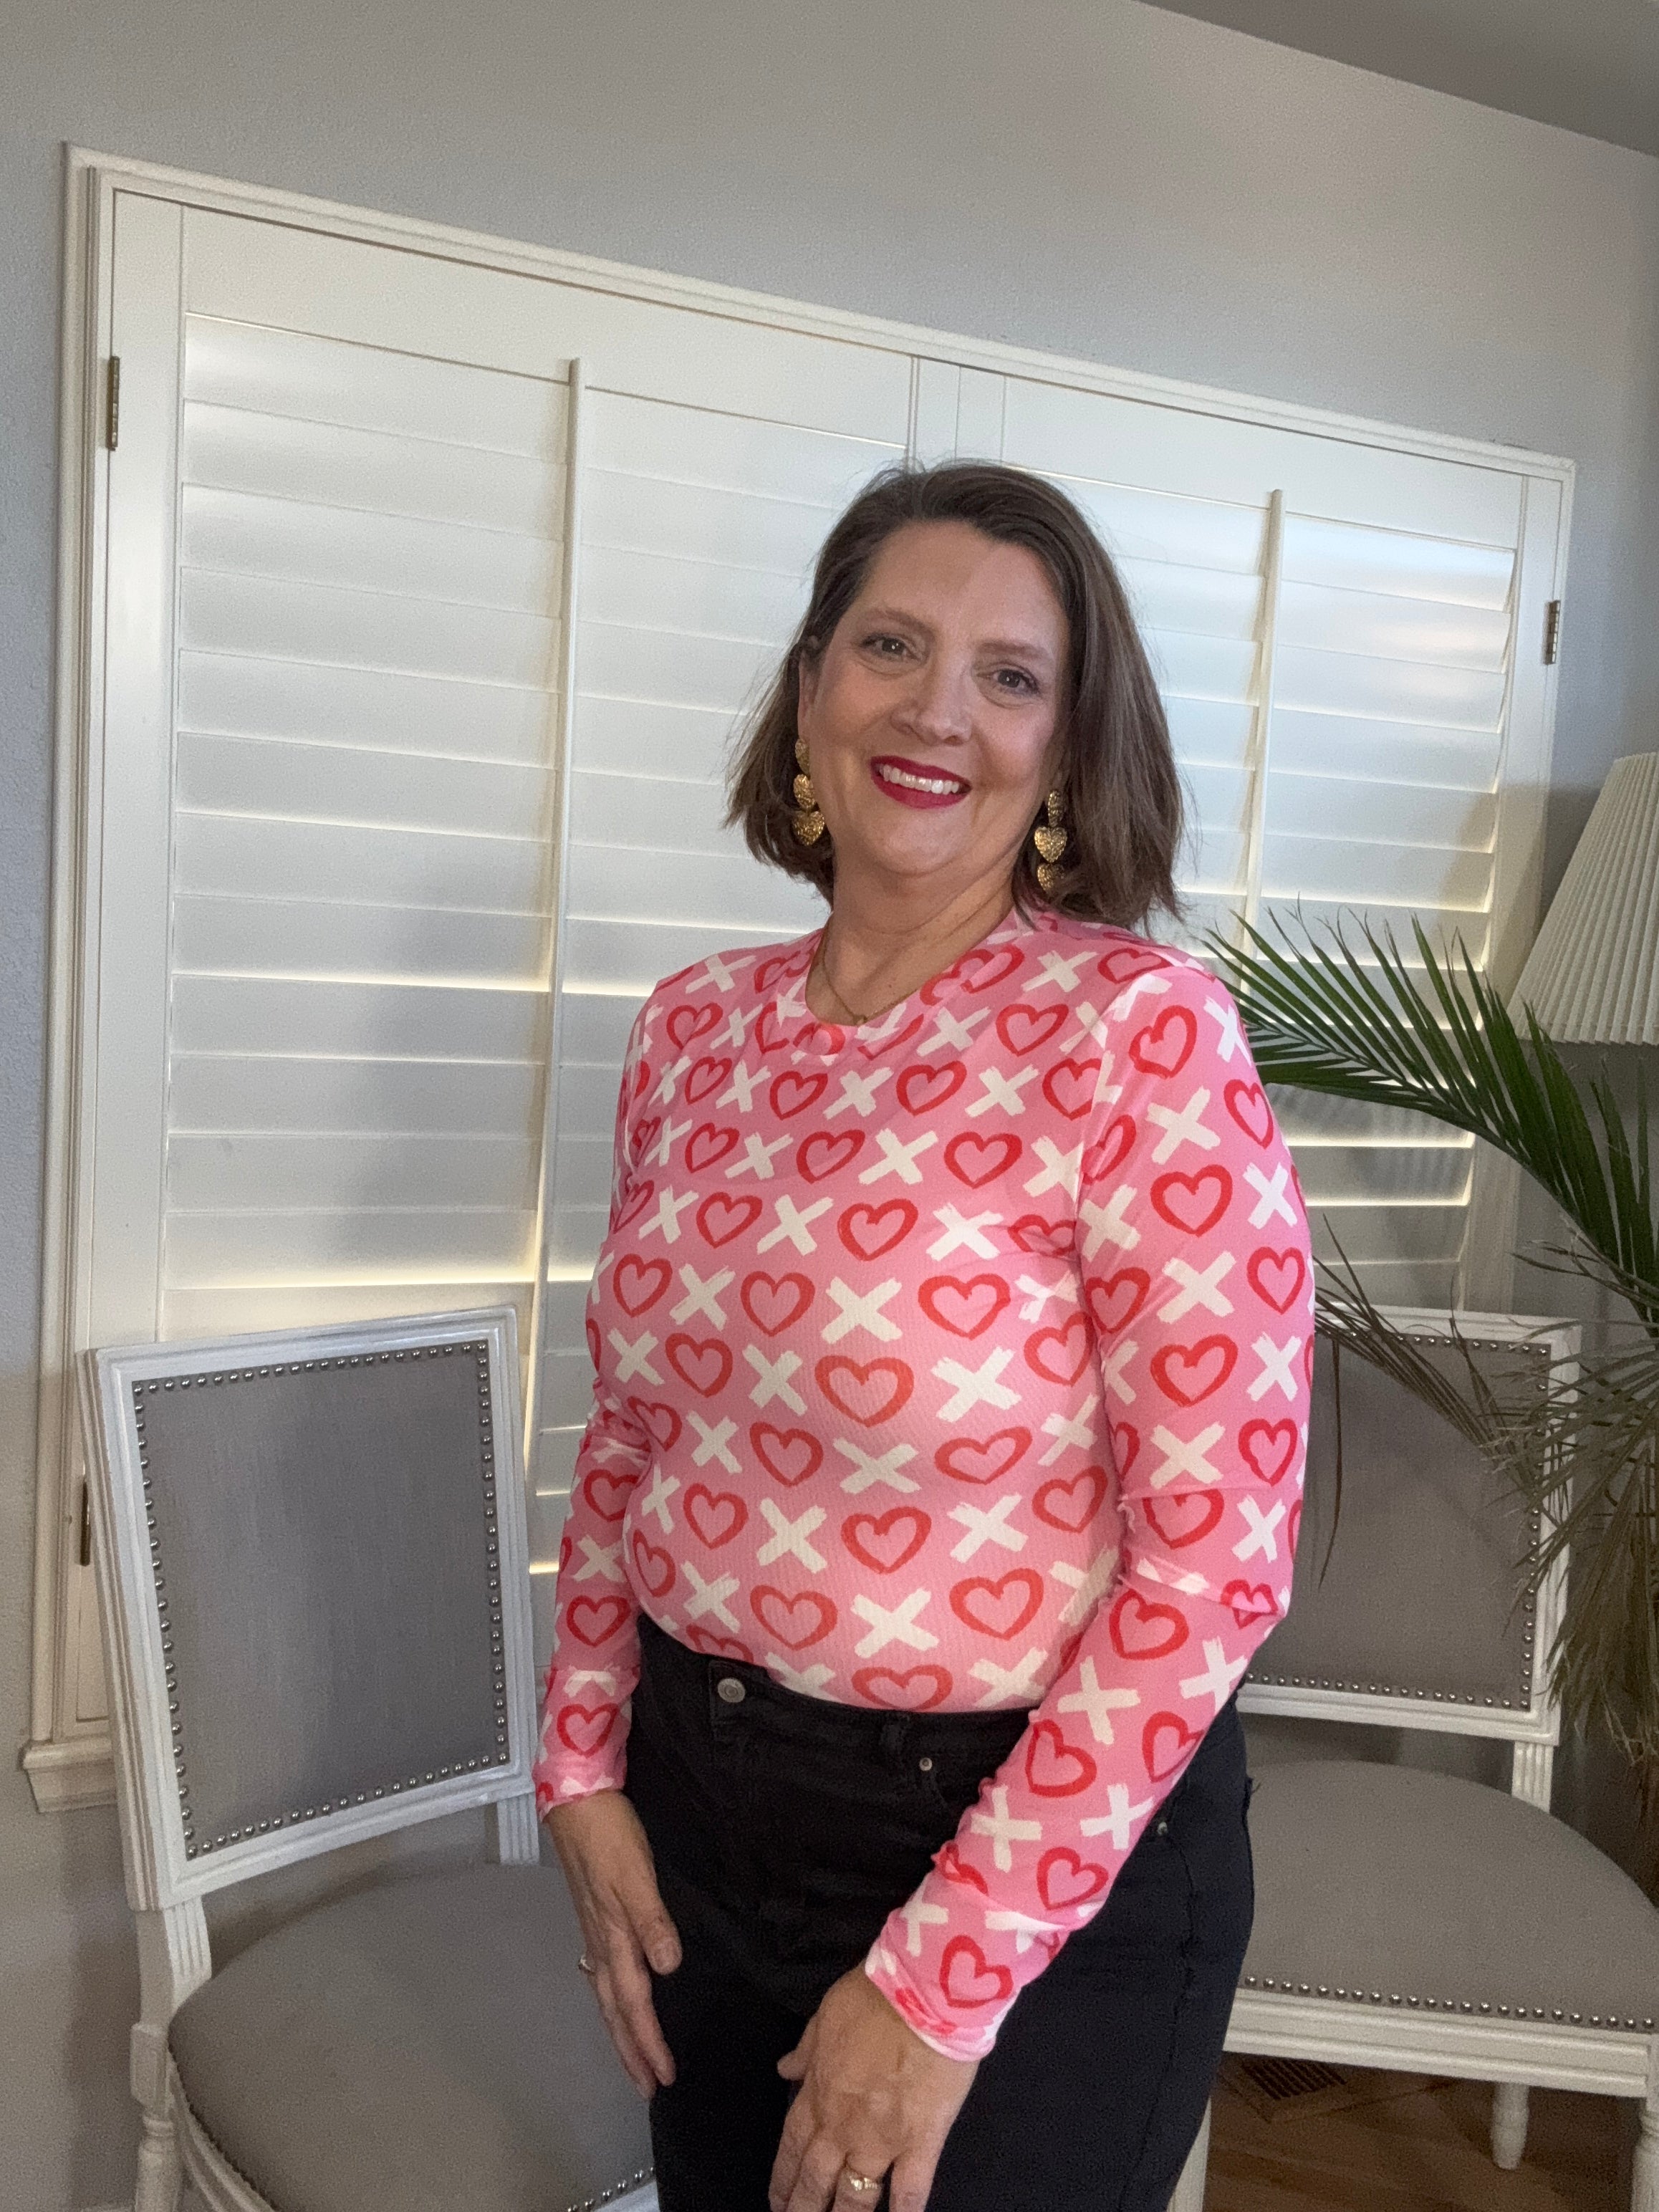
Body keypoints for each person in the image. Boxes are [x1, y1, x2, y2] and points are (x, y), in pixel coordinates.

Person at [534, 462, 1312, 2212]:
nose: (936, 708)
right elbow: (635, 1432)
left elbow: (1214, 1565)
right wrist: (579, 1762)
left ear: (1068, 741)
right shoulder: (695, 1028)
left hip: (1022, 1853)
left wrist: (941, 1976)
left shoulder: (1142, 1035)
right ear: (812, 683)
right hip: (700, 1812)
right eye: (891, 644)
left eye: (1009, 674)